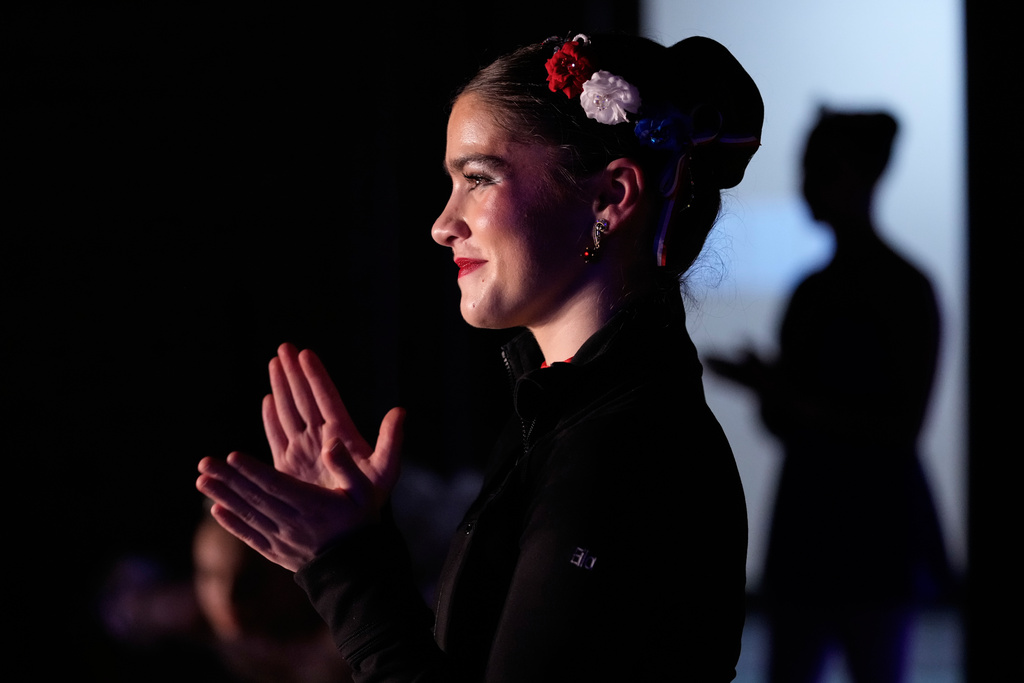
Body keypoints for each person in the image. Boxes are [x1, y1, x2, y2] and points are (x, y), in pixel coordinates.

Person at [196, 32, 763, 681]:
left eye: (478, 178)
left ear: (611, 197)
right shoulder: (565, 419)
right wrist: (358, 550)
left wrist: (346, 570)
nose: (443, 225)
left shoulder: (625, 450)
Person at [709, 109, 950, 683]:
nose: (806, 185)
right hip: (857, 527)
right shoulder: (897, 287)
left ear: (861, 176)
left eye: (819, 168)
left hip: (845, 528)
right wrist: (780, 391)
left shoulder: (838, 291)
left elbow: (898, 426)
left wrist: (778, 390)